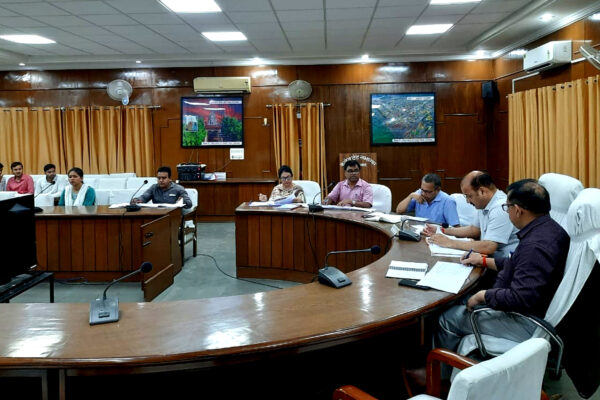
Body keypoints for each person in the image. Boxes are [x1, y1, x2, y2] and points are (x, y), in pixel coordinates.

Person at [435, 179, 570, 356]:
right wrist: (483, 261)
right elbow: (519, 264)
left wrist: (483, 295)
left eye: (507, 207)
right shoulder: (550, 229)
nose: (507, 212)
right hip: (524, 306)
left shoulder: (535, 246)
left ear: (518, 210)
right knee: (457, 301)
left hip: (524, 321)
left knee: (447, 318)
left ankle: (440, 370)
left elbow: (520, 298)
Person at [424, 171, 518, 258]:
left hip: (505, 264)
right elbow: (474, 230)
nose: (468, 201)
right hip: (489, 259)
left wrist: (450, 242)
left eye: (469, 196)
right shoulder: (485, 203)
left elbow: (489, 246)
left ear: (482, 191)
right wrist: (442, 230)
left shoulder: (500, 207)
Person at [396, 173, 460, 226]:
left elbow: (455, 227)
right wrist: (411, 196)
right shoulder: (418, 194)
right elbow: (399, 211)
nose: (423, 194)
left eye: (427, 192)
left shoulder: (448, 201)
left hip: (437, 234)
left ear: (438, 190)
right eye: (422, 190)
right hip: (418, 231)